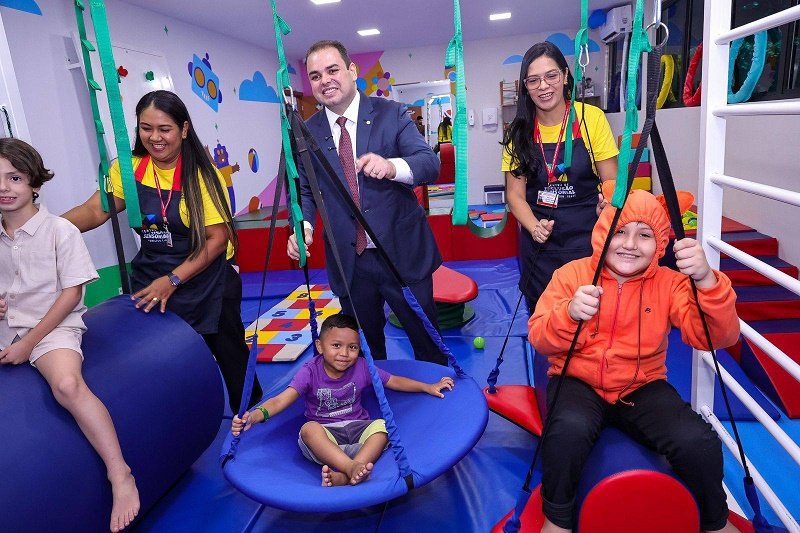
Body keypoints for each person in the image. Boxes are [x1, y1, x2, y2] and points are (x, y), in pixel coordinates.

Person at [529, 188, 741, 533]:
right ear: (603, 232)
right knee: (566, 431)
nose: (629, 244)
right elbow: (539, 337)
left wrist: (706, 281)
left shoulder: (671, 284)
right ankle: (557, 518)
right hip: (578, 380)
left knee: (696, 440)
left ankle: (715, 521)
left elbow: (716, 337)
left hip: (642, 385)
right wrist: (569, 314)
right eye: (620, 231)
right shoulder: (572, 274)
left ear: (660, 243)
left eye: (644, 235)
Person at [63, 90, 262, 412]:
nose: (155, 137)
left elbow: (217, 239)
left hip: (205, 277)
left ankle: (251, 411)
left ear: (183, 129)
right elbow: (94, 210)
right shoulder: (128, 170)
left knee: (229, 352)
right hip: (153, 273)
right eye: (146, 128)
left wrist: (172, 280)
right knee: (165, 356)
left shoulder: (202, 174)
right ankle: (181, 417)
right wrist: (47, 228)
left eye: (164, 129)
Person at [0, 138, 140, 532]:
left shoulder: (60, 230)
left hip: (51, 327)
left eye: (14, 178)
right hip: (7, 327)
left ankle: (120, 473)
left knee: (66, 385)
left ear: (34, 183)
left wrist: (29, 343)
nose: (4, 188)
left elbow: (71, 294)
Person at [287, 40, 446, 365]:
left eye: (332, 70)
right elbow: (304, 189)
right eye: (315, 76)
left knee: (427, 341)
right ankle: (374, 394)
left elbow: (429, 164)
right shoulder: (305, 131)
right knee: (362, 351)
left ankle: (437, 389)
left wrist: (392, 167)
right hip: (350, 261)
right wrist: (303, 227)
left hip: (402, 254)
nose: (325, 80)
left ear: (352, 70)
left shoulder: (391, 113)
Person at [231, 313, 454, 486]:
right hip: (326, 440)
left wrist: (427, 386)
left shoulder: (362, 367)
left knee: (383, 427)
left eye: (352, 347)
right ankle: (351, 468)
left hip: (358, 432)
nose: (344, 354)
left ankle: (347, 475)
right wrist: (256, 415)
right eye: (336, 345)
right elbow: (281, 400)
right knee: (309, 429)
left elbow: (394, 381)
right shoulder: (310, 371)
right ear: (320, 346)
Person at [501, 41, 619, 312]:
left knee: (591, 319)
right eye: (533, 80)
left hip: (588, 239)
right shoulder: (517, 132)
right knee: (544, 320)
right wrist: (535, 227)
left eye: (551, 76)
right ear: (525, 87)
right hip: (540, 246)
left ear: (565, 76)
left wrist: (607, 204)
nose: (543, 86)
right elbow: (515, 195)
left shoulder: (591, 118)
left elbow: (611, 183)